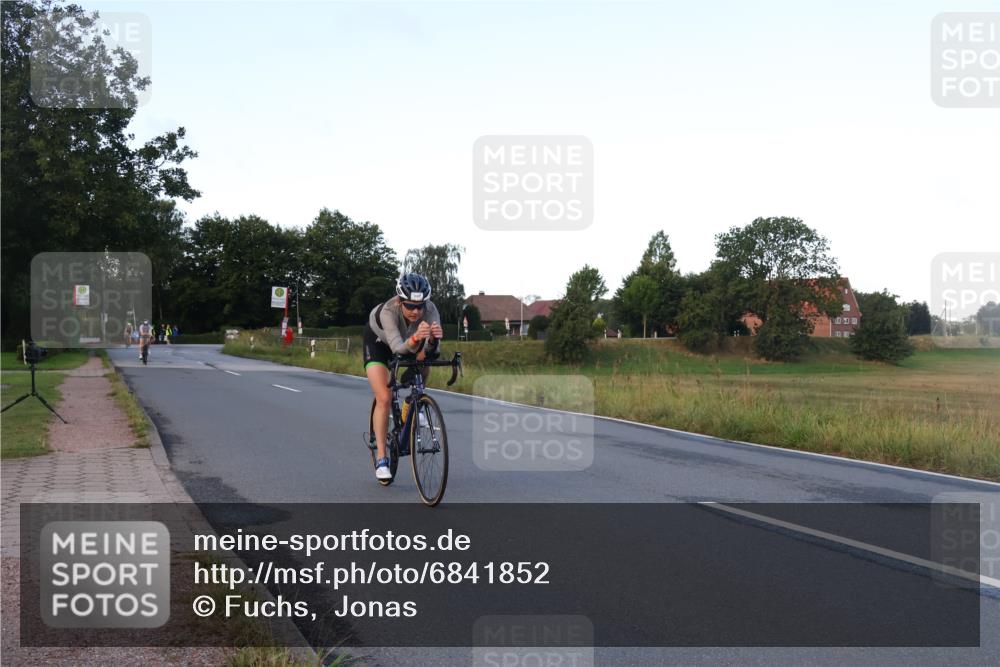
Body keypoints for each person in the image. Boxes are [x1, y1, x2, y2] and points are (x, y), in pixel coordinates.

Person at [364, 273, 443, 481]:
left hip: (409, 342)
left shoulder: (431, 310)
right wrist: (417, 338)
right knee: (384, 397)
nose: (416, 311)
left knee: (425, 361)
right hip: (380, 344)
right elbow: (398, 348)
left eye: (420, 306)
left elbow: (433, 351)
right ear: (400, 302)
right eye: (410, 306)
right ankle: (382, 458)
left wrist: (433, 341)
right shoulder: (388, 311)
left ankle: (413, 402)